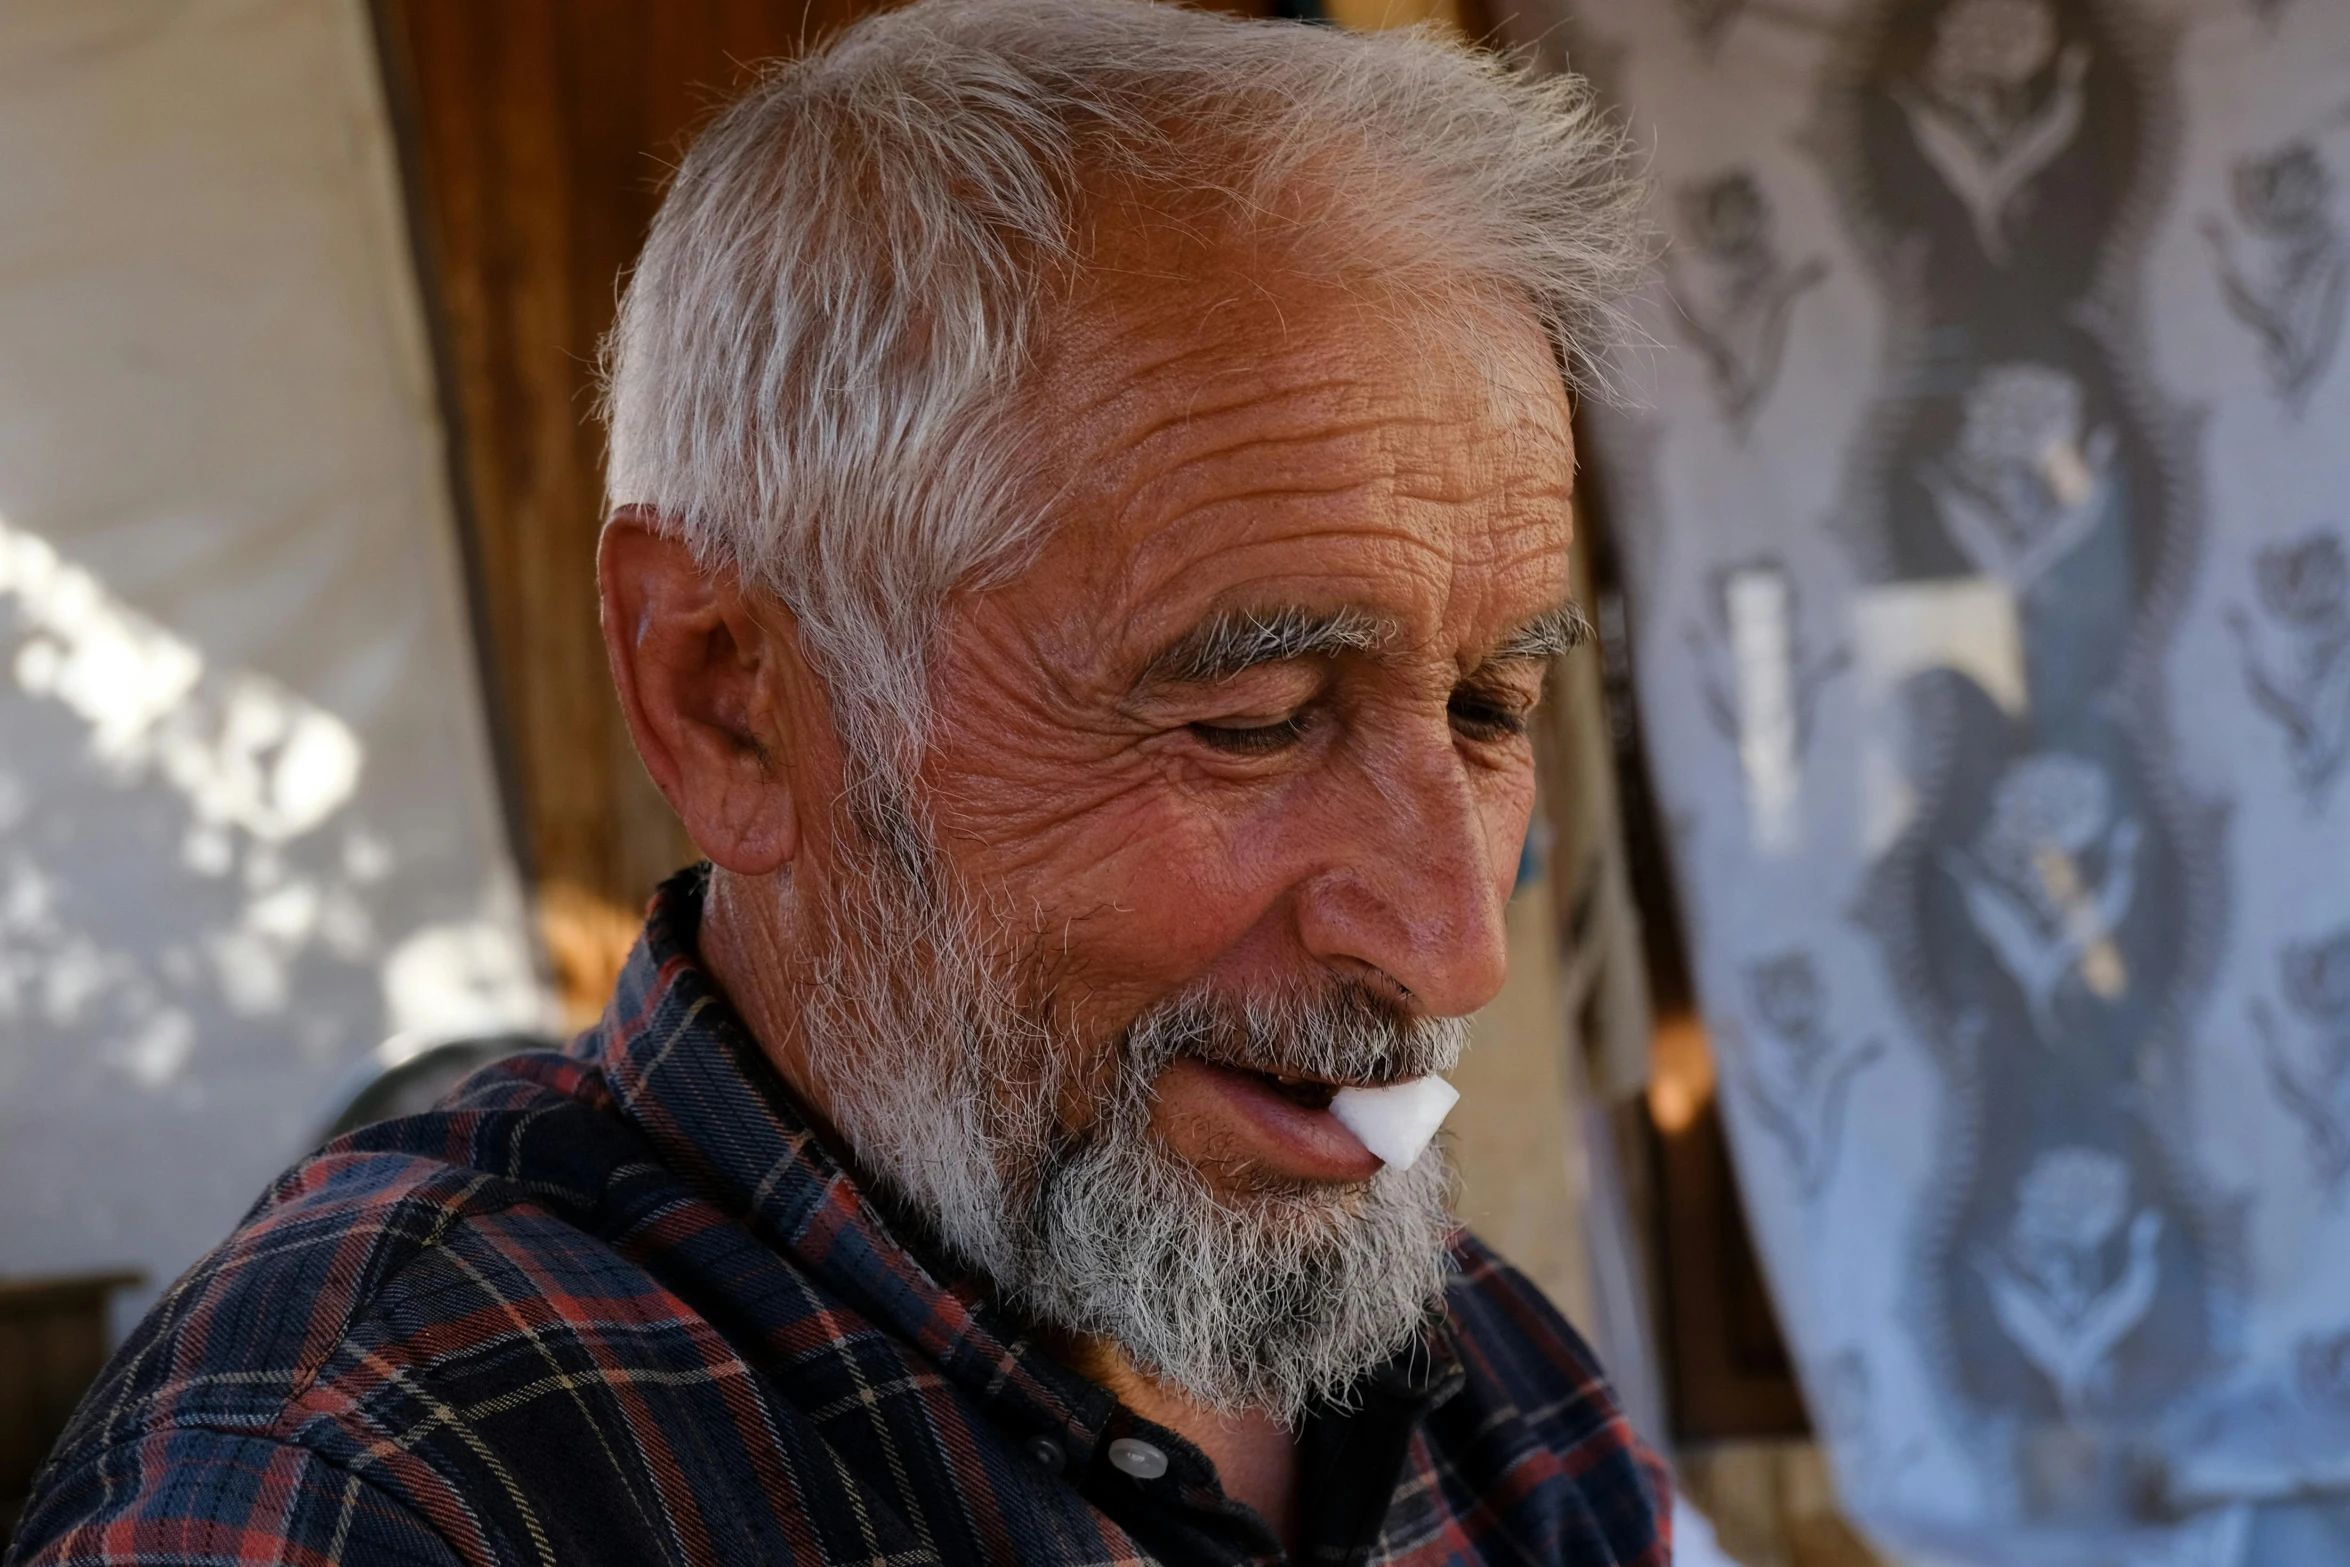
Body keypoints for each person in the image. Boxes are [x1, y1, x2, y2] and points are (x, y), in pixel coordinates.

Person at [9, 1, 1667, 1561]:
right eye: (1248, 718)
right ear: (728, 699)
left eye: (1485, 705)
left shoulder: (1477, 1377)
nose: (1457, 945)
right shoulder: (383, 1478)